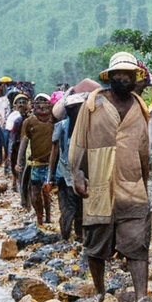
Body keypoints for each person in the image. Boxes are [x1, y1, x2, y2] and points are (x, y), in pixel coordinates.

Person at [68, 52, 152, 302]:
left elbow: (144, 148)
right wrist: (78, 173)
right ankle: (100, 291)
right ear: (111, 77)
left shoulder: (140, 107)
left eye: (128, 74)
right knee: (96, 241)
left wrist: (146, 182)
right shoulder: (94, 104)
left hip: (132, 183)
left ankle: (140, 298)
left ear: (134, 77)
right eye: (118, 74)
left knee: (138, 243)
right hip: (98, 181)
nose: (123, 78)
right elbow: (79, 142)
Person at [51, 78, 99, 242]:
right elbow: (55, 151)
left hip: (84, 177)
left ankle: (79, 240)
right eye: (72, 108)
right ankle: (65, 240)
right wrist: (50, 177)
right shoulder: (62, 126)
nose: (75, 111)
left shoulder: (91, 128)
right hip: (64, 176)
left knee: (80, 211)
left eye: (78, 108)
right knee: (67, 211)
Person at [20, 94, 56, 227]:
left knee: (46, 192)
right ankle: (39, 218)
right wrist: (20, 162)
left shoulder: (55, 120)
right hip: (35, 164)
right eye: (39, 103)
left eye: (44, 103)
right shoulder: (29, 122)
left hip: (50, 164)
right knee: (35, 193)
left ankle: (48, 216)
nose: (42, 106)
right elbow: (24, 142)